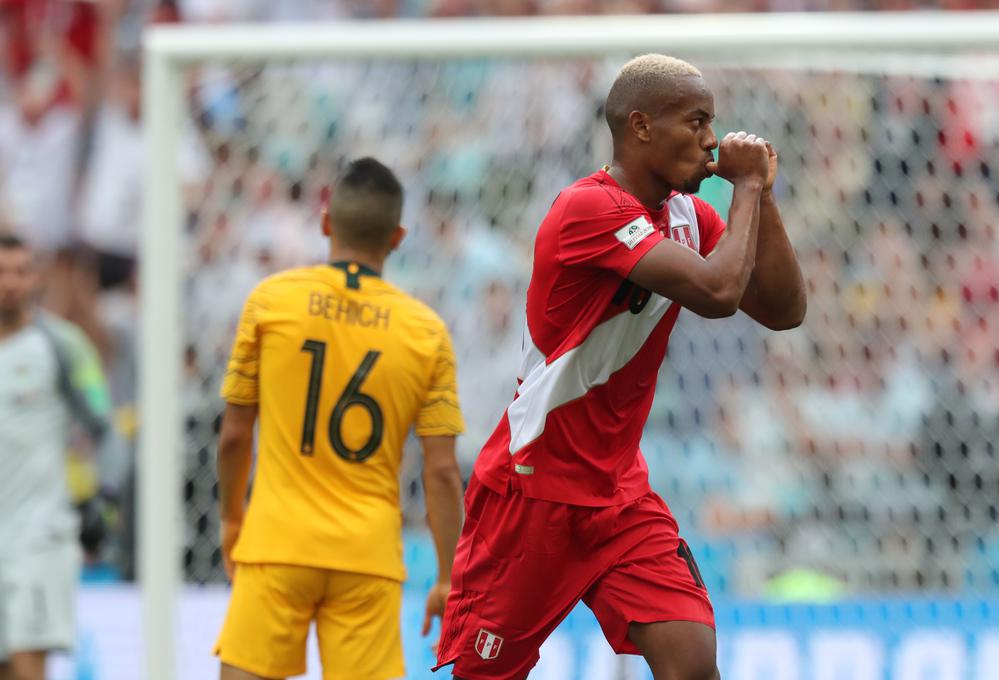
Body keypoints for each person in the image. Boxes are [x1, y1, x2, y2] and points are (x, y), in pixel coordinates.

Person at [434, 54, 806, 680]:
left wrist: (761, 198)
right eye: (696, 122)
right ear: (640, 127)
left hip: (617, 495)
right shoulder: (588, 209)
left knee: (690, 657)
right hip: (533, 492)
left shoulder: (690, 215)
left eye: (712, 124)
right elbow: (717, 296)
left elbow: (785, 309)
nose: (711, 140)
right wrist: (742, 187)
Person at [214, 158, 466, 680]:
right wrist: (446, 575)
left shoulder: (271, 301)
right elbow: (440, 471)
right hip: (366, 553)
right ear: (397, 237)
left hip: (277, 539)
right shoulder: (426, 332)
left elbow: (235, 436)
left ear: (326, 222)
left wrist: (232, 518)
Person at [0, 233, 113, 680]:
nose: (11, 282)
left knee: (29, 666)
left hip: (38, 534)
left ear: (37, 278)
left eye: (21, 270)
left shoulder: (62, 346)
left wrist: (104, 500)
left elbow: (106, 428)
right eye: (2, 272)